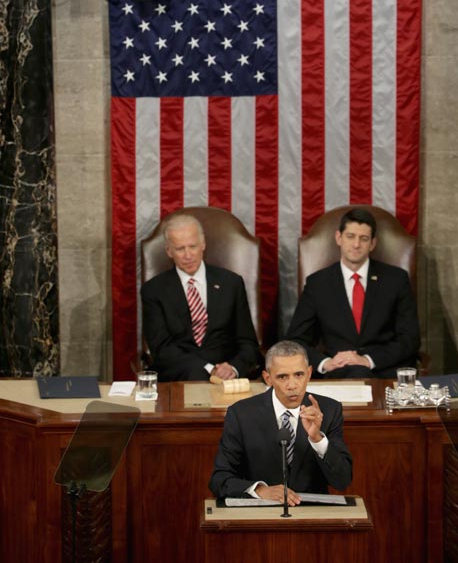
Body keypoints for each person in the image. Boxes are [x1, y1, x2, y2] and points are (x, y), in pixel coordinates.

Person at [209, 340, 352, 505]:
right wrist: (260, 490)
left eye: (299, 375)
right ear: (268, 378)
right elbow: (219, 480)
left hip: (312, 515)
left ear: (309, 373)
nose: (292, 385)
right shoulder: (241, 414)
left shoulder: (329, 410)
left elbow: (343, 481)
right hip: (260, 514)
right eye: (282, 377)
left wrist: (317, 439)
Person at [286, 207, 420, 379]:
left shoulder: (396, 280)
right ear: (338, 238)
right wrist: (325, 363)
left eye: (363, 239)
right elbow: (296, 341)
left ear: (372, 244)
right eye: (350, 236)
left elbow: (409, 339)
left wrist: (367, 360)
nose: (356, 244)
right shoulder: (318, 283)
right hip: (337, 372)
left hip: (384, 371)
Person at [141, 212, 261, 381]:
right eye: (180, 249)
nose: (188, 255)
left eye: (193, 246)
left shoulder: (231, 283)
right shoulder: (153, 290)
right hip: (178, 377)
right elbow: (162, 349)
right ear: (169, 251)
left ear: (203, 244)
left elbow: (248, 343)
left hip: (228, 378)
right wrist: (208, 369)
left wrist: (233, 367)